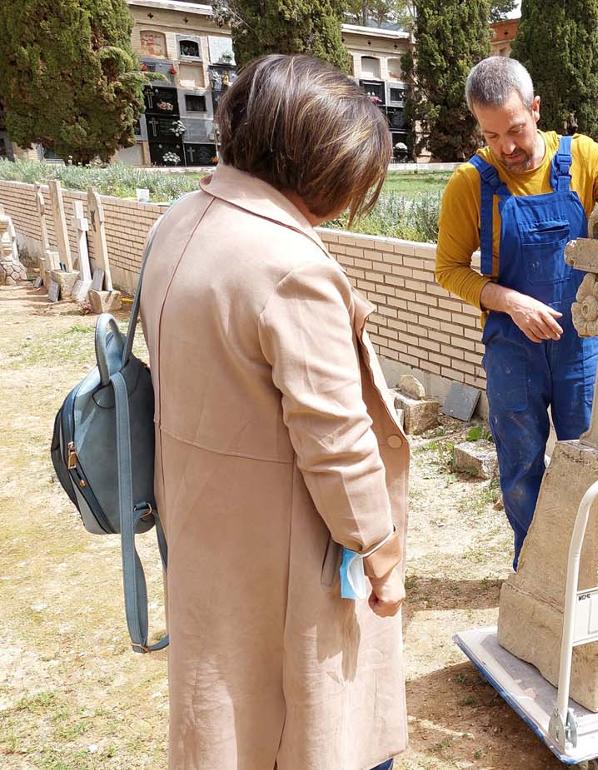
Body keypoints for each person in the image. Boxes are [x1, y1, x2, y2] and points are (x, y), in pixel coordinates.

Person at [140, 54, 408, 770]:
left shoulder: (181, 218)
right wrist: (383, 555)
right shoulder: (290, 264)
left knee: (226, 714)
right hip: (285, 547)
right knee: (315, 728)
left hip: (206, 522)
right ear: (318, 162)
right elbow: (337, 440)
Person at [434, 57, 598, 568]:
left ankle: (587, 568)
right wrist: (508, 300)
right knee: (520, 470)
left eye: (516, 130)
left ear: (536, 110)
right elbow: (449, 270)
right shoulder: (469, 184)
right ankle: (534, 570)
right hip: (512, 352)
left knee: (587, 460)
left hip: (578, 348)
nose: (506, 148)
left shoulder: (584, 159)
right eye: (491, 135)